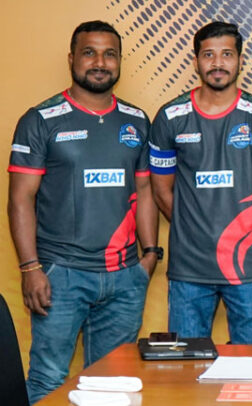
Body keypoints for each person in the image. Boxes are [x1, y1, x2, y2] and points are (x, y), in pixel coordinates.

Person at [8, 21, 159, 404]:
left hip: (124, 277)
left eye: (110, 54)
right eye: (89, 52)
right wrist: (30, 268)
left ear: (119, 61)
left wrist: (149, 256)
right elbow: (20, 198)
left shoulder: (137, 121)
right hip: (61, 275)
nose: (100, 63)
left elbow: (144, 190)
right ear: (71, 58)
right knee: (48, 380)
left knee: (113, 383)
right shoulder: (41, 120)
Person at [149, 22, 252, 344]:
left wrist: (249, 234)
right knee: (186, 367)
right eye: (208, 55)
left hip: (247, 267)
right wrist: (193, 230)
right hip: (189, 268)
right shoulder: (170, 117)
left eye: (227, 54)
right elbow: (161, 190)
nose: (217, 63)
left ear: (240, 60)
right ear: (196, 61)